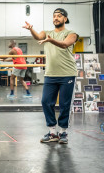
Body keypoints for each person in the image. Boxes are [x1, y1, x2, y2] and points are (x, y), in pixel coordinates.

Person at [23, 8, 78, 144]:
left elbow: (65, 45)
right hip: (50, 74)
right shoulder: (47, 33)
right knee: (46, 101)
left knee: (65, 104)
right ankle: (52, 131)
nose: (56, 18)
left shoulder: (71, 34)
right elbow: (38, 36)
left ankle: (63, 132)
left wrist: (50, 40)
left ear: (65, 19)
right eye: (54, 16)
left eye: (59, 16)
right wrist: (31, 29)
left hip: (67, 74)